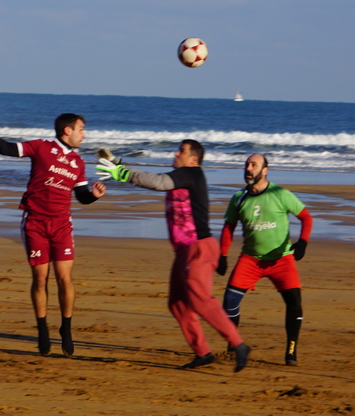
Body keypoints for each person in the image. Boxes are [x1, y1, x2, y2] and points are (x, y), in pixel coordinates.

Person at [0, 113, 106, 357]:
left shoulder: (78, 162)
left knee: (65, 278)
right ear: (67, 131)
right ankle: (42, 328)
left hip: (62, 225)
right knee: (40, 279)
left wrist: (93, 196)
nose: (84, 134)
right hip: (35, 222)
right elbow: (8, 149)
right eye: (81, 129)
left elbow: (81, 196)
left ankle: (66, 328)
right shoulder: (41, 147)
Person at [100, 139, 251, 371]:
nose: (175, 153)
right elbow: (153, 178)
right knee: (178, 304)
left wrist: (122, 173)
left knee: (200, 299)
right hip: (183, 251)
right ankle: (203, 353)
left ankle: (238, 344)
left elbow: (158, 182)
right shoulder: (181, 176)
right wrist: (120, 166)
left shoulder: (192, 174)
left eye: (181, 151)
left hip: (199, 247)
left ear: (193, 159)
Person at [218, 154, 314, 366]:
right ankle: (233, 346)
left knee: (295, 303)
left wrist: (303, 242)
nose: (248, 168)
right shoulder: (239, 198)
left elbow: (306, 217)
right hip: (250, 259)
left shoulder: (280, 194)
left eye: (254, 165)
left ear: (265, 170)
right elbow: (228, 227)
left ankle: (291, 352)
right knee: (229, 302)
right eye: (247, 164)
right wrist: (222, 255)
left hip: (281, 260)